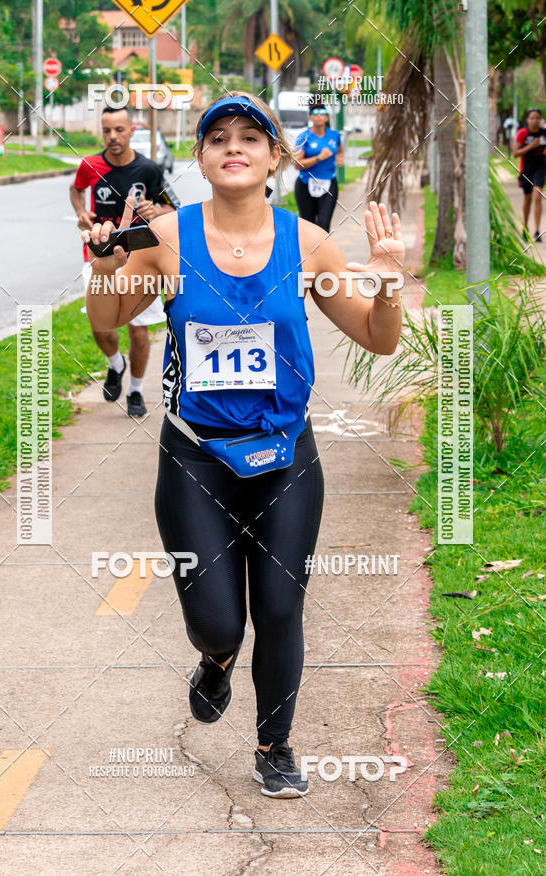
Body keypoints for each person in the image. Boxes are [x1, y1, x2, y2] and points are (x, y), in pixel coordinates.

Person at [84, 92, 404, 798]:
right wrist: (103, 260)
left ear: (272, 159)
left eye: (251, 138)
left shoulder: (309, 244)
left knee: (282, 609)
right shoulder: (163, 235)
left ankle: (274, 746)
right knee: (218, 621)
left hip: (286, 453)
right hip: (196, 455)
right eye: (218, 137)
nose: (234, 146)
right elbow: (108, 316)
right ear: (199, 159)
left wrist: (387, 287)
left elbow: (380, 340)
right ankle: (217, 659)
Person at [70, 105, 177, 416]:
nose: (113, 136)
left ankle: (136, 390)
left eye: (119, 129)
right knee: (100, 325)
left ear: (132, 131)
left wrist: (157, 212)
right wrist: (81, 212)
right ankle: (116, 364)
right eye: (107, 130)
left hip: (138, 259)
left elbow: (174, 209)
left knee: (138, 329)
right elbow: (76, 190)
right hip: (99, 256)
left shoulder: (149, 170)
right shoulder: (90, 165)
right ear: (101, 132)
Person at [293, 104, 345, 232]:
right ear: (310, 118)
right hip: (306, 184)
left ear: (327, 118)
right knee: (307, 225)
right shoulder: (303, 136)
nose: (319, 116)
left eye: (322, 114)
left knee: (323, 224)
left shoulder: (334, 135)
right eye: (315, 114)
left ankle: (321, 251)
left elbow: (339, 151)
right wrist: (319, 157)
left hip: (328, 183)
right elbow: (296, 164)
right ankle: (307, 251)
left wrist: (340, 158)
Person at [513, 108, 546, 243]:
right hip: (526, 170)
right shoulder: (523, 133)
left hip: (541, 169)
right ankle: (525, 226)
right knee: (527, 200)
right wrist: (532, 146)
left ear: (540, 120)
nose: (535, 120)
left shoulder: (544, 133)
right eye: (532, 118)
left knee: (537, 195)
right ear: (527, 120)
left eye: (537, 118)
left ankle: (537, 231)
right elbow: (515, 153)